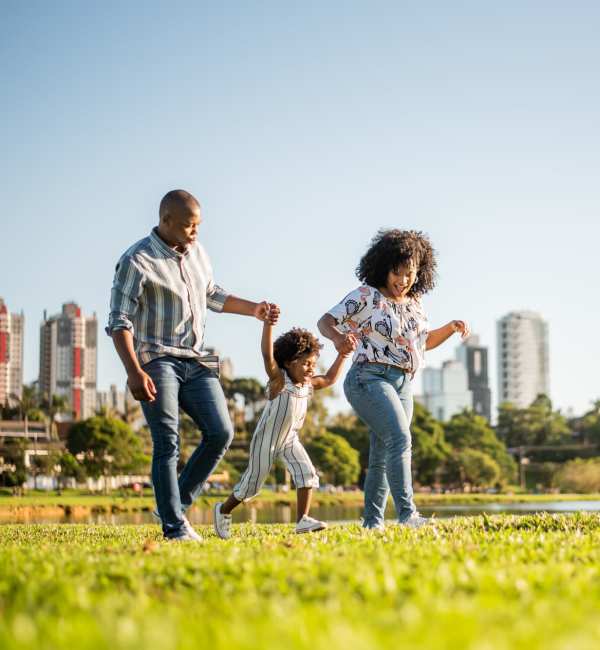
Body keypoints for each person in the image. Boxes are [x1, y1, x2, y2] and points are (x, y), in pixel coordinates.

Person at [107, 189, 278, 541]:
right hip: (156, 360)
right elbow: (119, 321)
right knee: (167, 441)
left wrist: (254, 309)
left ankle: (174, 503)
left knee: (221, 432)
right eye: (188, 226)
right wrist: (134, 371)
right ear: (165, 221)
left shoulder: (197, 252)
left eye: (198, 225)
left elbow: (212, 294)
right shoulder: (136, 260)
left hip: (196, 359)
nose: (195, 232)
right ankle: (173, 526)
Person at [317, 229, 469, 530]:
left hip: (403, 383)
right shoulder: (366, 296)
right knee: (400, 438)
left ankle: (372, 523)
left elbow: (422, 341)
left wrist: (450, 328)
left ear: (419, 272)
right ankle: (408, 514)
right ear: (383, 268)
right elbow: (325, 321)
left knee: (382, 454)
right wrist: (337, 339)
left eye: (409, 274)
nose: (403, 281)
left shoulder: (415, 301)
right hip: (368, 378)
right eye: (396, 273)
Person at [213, 312, 356, 538]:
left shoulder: (307, 385)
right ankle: (223, 509)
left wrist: (343, 355)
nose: (311, 369)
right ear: (289, 363)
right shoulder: (279, 380)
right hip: (267, 440)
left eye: (313, 364)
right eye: (306, 363)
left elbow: (328, 379)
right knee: (252, 484)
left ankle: (302, 520)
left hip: (290, 439)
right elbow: (267, 355)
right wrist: (268, 325)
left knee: (307, 473)